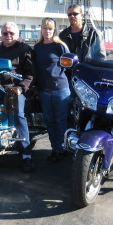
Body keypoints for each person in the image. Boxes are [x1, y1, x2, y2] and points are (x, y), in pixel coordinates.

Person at [0, 22, 36, 173]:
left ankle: (26, 155)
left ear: (17, 34)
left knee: (18, 113)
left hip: (16, 88)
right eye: (5, 33)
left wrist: (21, 87)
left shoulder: (24, 49)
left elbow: (31, 74)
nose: (8, 36)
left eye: (11, 33)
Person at [33, 18, 70, 163]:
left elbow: (70, 67)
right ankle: (55, 148)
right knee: (49, 122)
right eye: (44, 28)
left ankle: (61, 149)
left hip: (60, 89)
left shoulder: (60, 46)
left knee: (60, 121)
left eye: (50, 28)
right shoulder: (37, 47)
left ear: (54, 30)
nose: (47, 31)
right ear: (41, 29)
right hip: (44, 91)